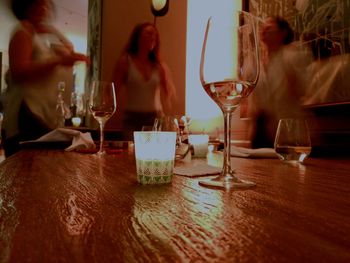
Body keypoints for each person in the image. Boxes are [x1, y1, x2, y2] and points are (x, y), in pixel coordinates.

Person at [1, 0, 89, 157]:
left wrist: (52, 31)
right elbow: (19, 71)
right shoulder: (23, 31)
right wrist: (59, 60)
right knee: (28, 171)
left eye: (45, 4)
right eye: (37, 4)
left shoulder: (36, 35)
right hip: (27, 113)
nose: (43, 8)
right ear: (26, 7)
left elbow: (68, 50)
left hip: (39, 114)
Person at [247, 16, 312, 148]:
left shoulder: (294, 55)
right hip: (260, 133)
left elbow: (303, 89)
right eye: (262, 27)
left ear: (283, 33)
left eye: (269, 26)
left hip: (289, 132)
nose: (263, 29)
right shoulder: (254, 64)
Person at [113, 22, 176, 140]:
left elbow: (169, 93)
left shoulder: (159, 66)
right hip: (132, 118)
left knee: (155, 154)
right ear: (137, 37)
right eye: (148, 33)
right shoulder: (125, 62)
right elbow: (112, 92)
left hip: (155, 117)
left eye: (155, 35)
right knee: (131, 154)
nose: (153, 37)